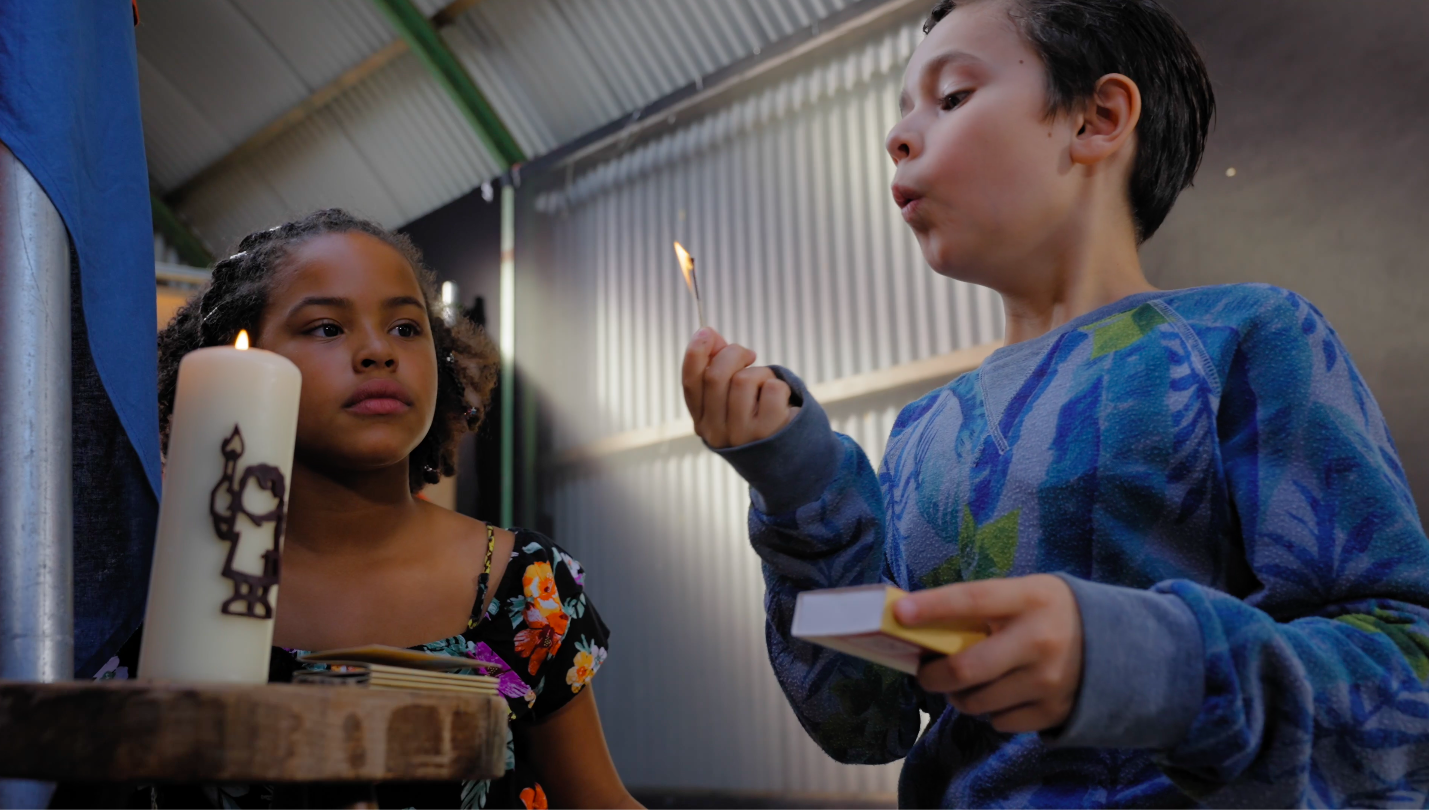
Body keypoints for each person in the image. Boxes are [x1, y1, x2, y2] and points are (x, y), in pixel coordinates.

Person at [682, 0, 1429, 806]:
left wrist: (1143, 663)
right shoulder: (922, 430)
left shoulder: (1243, 338)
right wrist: (795, 480)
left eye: (953, 96)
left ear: (1097, 118)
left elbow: (1404, 667)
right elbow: (866, 724)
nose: (897, 138)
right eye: (901, 114)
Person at [82, 209, 638, 810]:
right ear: (241, 363)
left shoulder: (524, 585)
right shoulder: (150, 576)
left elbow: (599, 800)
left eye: (406, 327)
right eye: (326, 328)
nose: (378, 351)